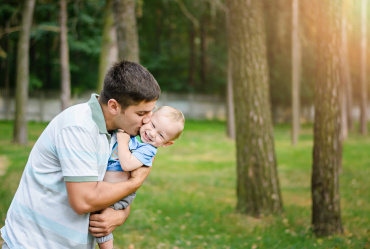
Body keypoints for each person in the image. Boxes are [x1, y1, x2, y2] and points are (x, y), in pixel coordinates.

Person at [0, 60, 161, 249]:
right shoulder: (78, 127)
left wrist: (121, 214)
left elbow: (112, 187)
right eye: (141, 113)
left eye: (151, 112)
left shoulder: (119, 133)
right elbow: (84, 201)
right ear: (114, 106)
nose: (148, 121)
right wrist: (135, 182)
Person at [97, 106, 185, 249]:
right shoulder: (136, 135)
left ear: (167, 143)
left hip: (119, 195)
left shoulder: (148, 149)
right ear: (148, 118)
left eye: (161, 135)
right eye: (153, 125)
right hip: (107, 186)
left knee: (101, 223)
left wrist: (122, 140)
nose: (152, 133)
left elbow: (126, 164)